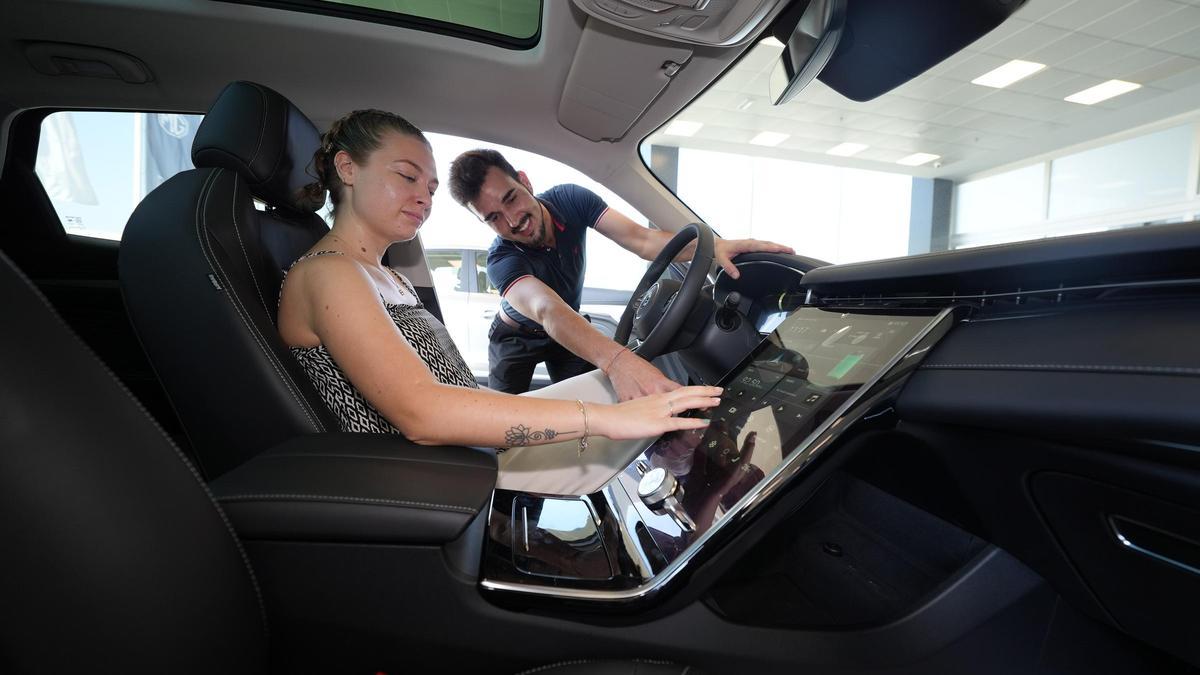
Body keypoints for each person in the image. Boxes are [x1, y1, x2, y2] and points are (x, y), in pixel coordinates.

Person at [276, 109, 722, 454]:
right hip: (423, 473)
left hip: (461, 452)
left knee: (634, 406)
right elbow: (422, 412)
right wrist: (603, 419)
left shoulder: (389, 278)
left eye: (430, 189)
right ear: (348, 168)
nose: (423, 198)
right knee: (633, 427)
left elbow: (452, 386)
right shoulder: (330, 273)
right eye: (407, 176)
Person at [447, 149, 794, 400]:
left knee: (595, 404)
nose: (512, 221)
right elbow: (547, 310)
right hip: (516, 339)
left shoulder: (570, 199)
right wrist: (616, 360)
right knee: (506, 430)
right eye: (493, 218)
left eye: (511, 199)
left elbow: (642, 240)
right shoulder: (502, 260)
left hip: (570, 329)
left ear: (525, 181)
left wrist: (715, 246)